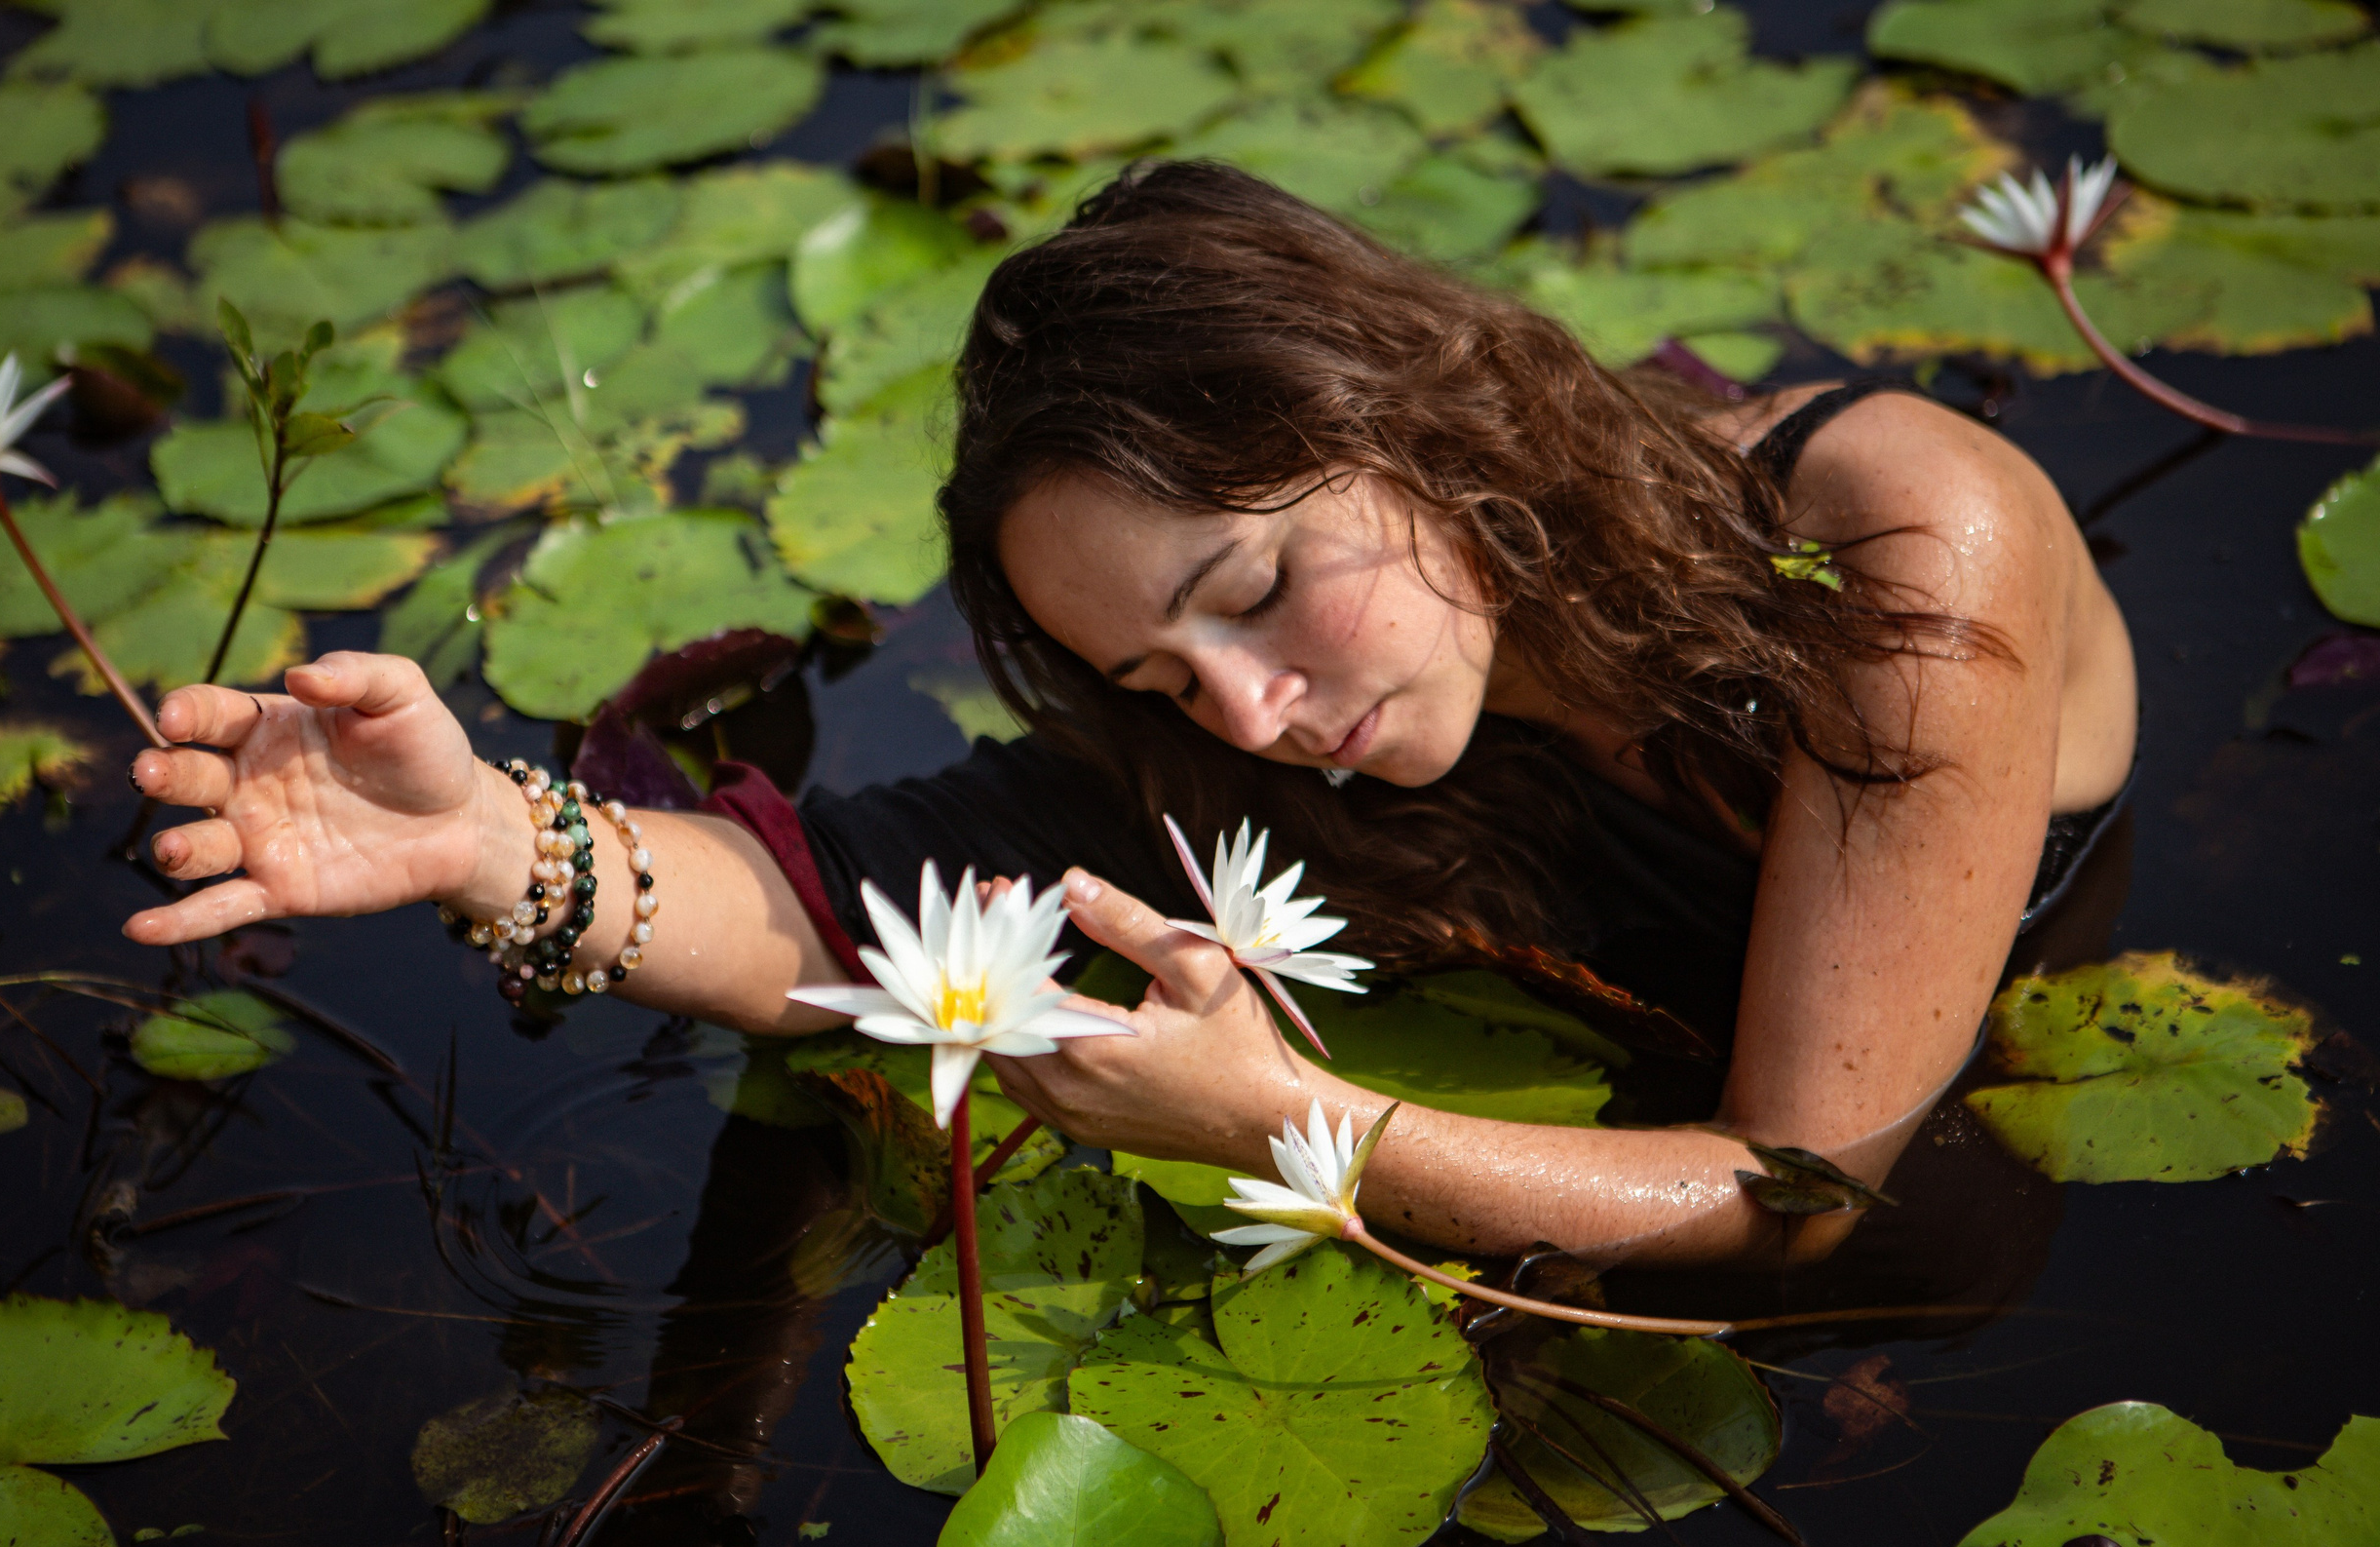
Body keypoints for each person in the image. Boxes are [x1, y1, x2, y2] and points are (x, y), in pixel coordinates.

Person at [122, 163, 2137, 1270]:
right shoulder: (1292, 711)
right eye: (1158, 678)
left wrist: (1290, 1123)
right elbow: (847, 901)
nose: (1256, 719)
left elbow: (1803, 1185)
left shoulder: (1895, 538)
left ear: (1403, 418)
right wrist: (491, 836)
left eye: (1252, 588)